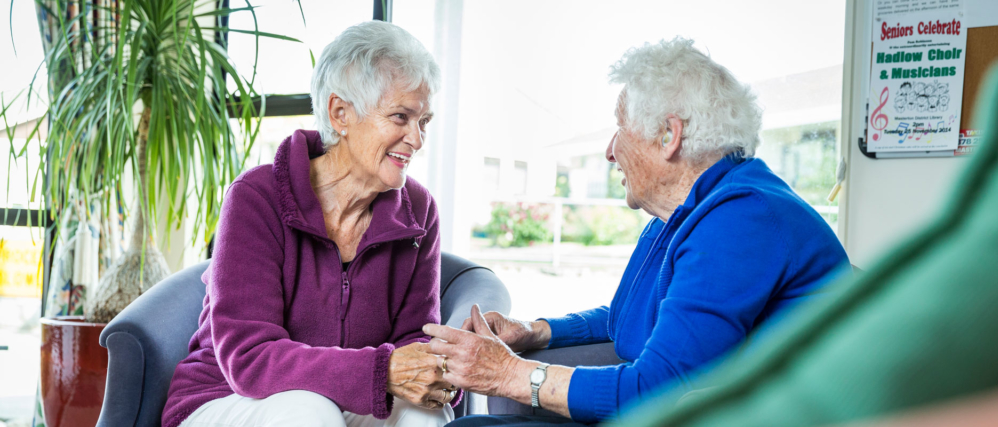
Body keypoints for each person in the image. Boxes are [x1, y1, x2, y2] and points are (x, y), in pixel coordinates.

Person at [425, 37, 850, 426]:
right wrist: (537, 330)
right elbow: (627, 318)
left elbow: (656, 391)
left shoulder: (742, 218)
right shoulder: (683, 214)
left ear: (669, 135)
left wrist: (509, 373)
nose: (610, 151)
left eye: (620, 128)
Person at [162, 21, 456, 427]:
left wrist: (431, 370)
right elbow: (249, 358)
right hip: (227, 397)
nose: (417, 139)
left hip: (351, 400)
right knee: (308, 411)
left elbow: (415, 336)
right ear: (341, 114)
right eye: (401, 117)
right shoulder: (257, 196)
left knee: (423, 414)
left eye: (424, 121)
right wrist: (382, 370)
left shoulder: (419, 210)